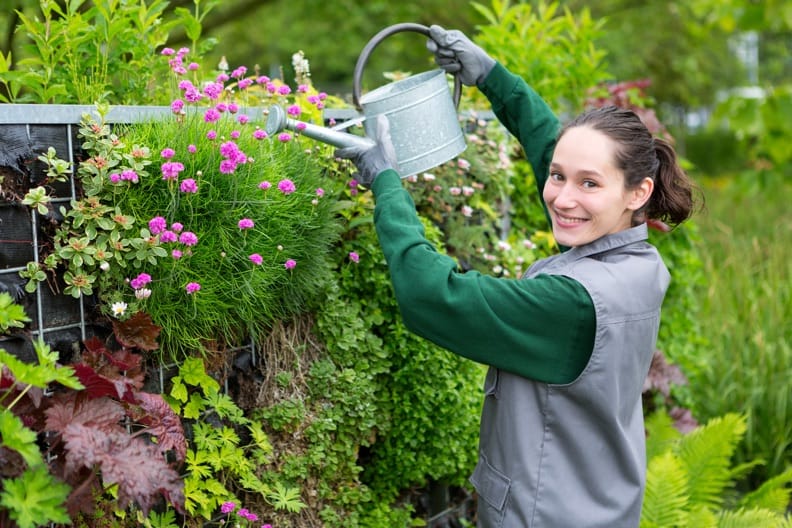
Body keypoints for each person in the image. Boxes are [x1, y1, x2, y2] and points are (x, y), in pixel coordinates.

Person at [336, 24, 696, 528]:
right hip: (599, 506)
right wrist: (489, 75)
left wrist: (386, 180)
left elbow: (431, 294)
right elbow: (556, 147)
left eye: (589, 183)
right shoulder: (635, 260)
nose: (563, 197)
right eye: (558, 176)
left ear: (638, 192)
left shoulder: (573, 303)